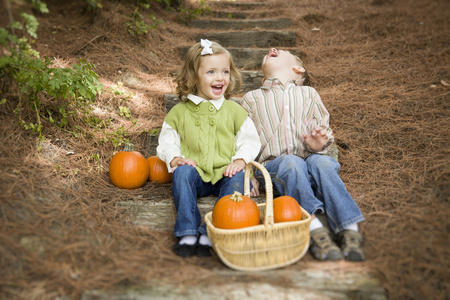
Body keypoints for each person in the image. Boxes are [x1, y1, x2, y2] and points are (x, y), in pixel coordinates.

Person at [241, 48, 366, 262]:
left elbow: (322, 129)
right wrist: (249, 172)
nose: (272, 49)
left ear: (298, 69)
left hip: (310, 160)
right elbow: (244, 140)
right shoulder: (251, 98)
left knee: (324, 164)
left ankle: (350, 230)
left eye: (280, 51)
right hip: (274, 167)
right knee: (291, 162)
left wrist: (318, 144)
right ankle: (315, 229)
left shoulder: (309, 94)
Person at [157, 39, 261, 258]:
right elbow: (167, 140)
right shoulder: (179, 112)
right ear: (194, 77)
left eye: (225, 71)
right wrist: (175, 158)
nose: (220, 78)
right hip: (195, 171)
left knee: (236, 179)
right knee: (182, 174)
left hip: (225, 171)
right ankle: (187, 232)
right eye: (211, 72)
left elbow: (250, 140)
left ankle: (208, 233)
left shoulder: (234, 110)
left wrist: (240, 161)